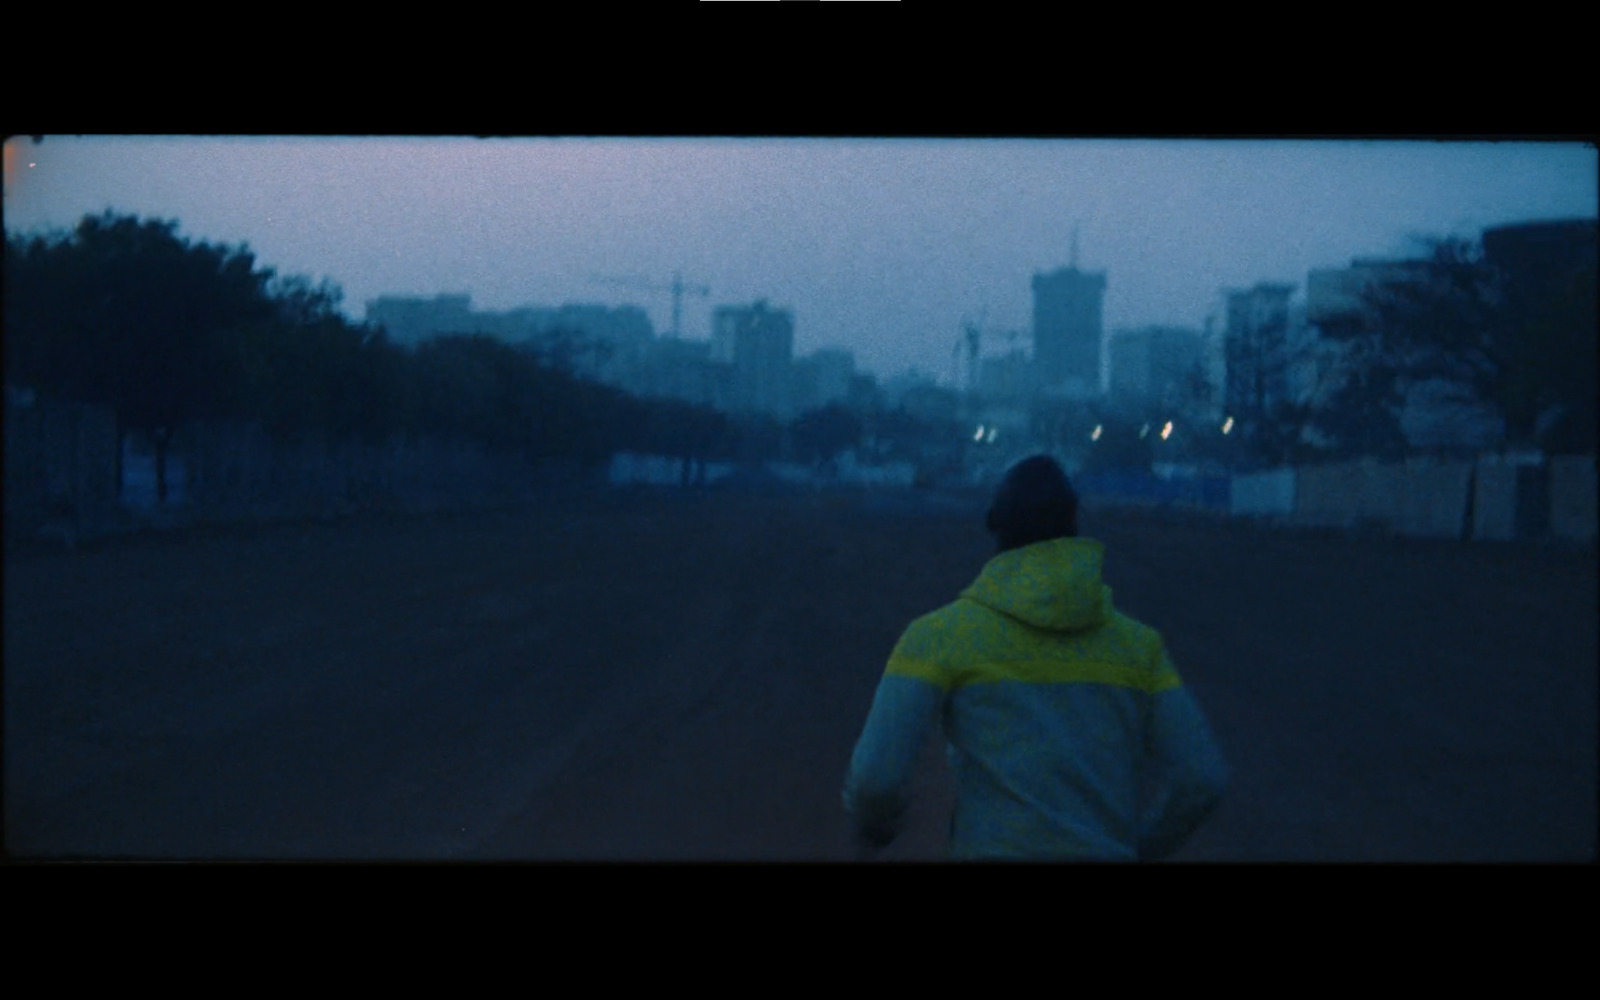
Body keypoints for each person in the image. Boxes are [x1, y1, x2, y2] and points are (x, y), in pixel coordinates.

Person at [842, 454, 1228, 861]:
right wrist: (1137, 848)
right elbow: (1203, 778)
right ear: (1074, 524)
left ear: (995, 524)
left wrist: (877, 826)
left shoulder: (939, 637)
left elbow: (875, 779)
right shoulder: (1139, 646)